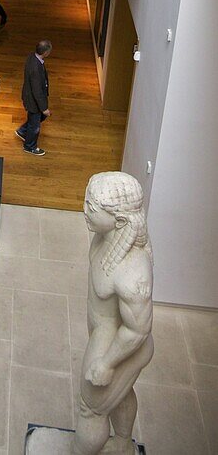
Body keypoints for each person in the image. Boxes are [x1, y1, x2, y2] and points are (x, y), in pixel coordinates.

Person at [73, 172, 154, 455]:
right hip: (105, 330)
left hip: (120, 345)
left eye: (91, 207)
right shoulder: (106, 236)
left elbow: (137, 331)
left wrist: (107, 363)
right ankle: (122, 445)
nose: (84, 210)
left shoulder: (133, 276)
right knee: (119, 396)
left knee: (91, 408)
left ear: (120, 221)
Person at [15, 39, 52, 155]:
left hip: (30, 97)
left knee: (36, 119)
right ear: (45, 52)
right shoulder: (36, 68)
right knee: (35, 125)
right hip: (33, 101)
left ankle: (22, 131)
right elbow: (37, 91)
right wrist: (44, 108)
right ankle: (30, 146)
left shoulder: (33, 57)